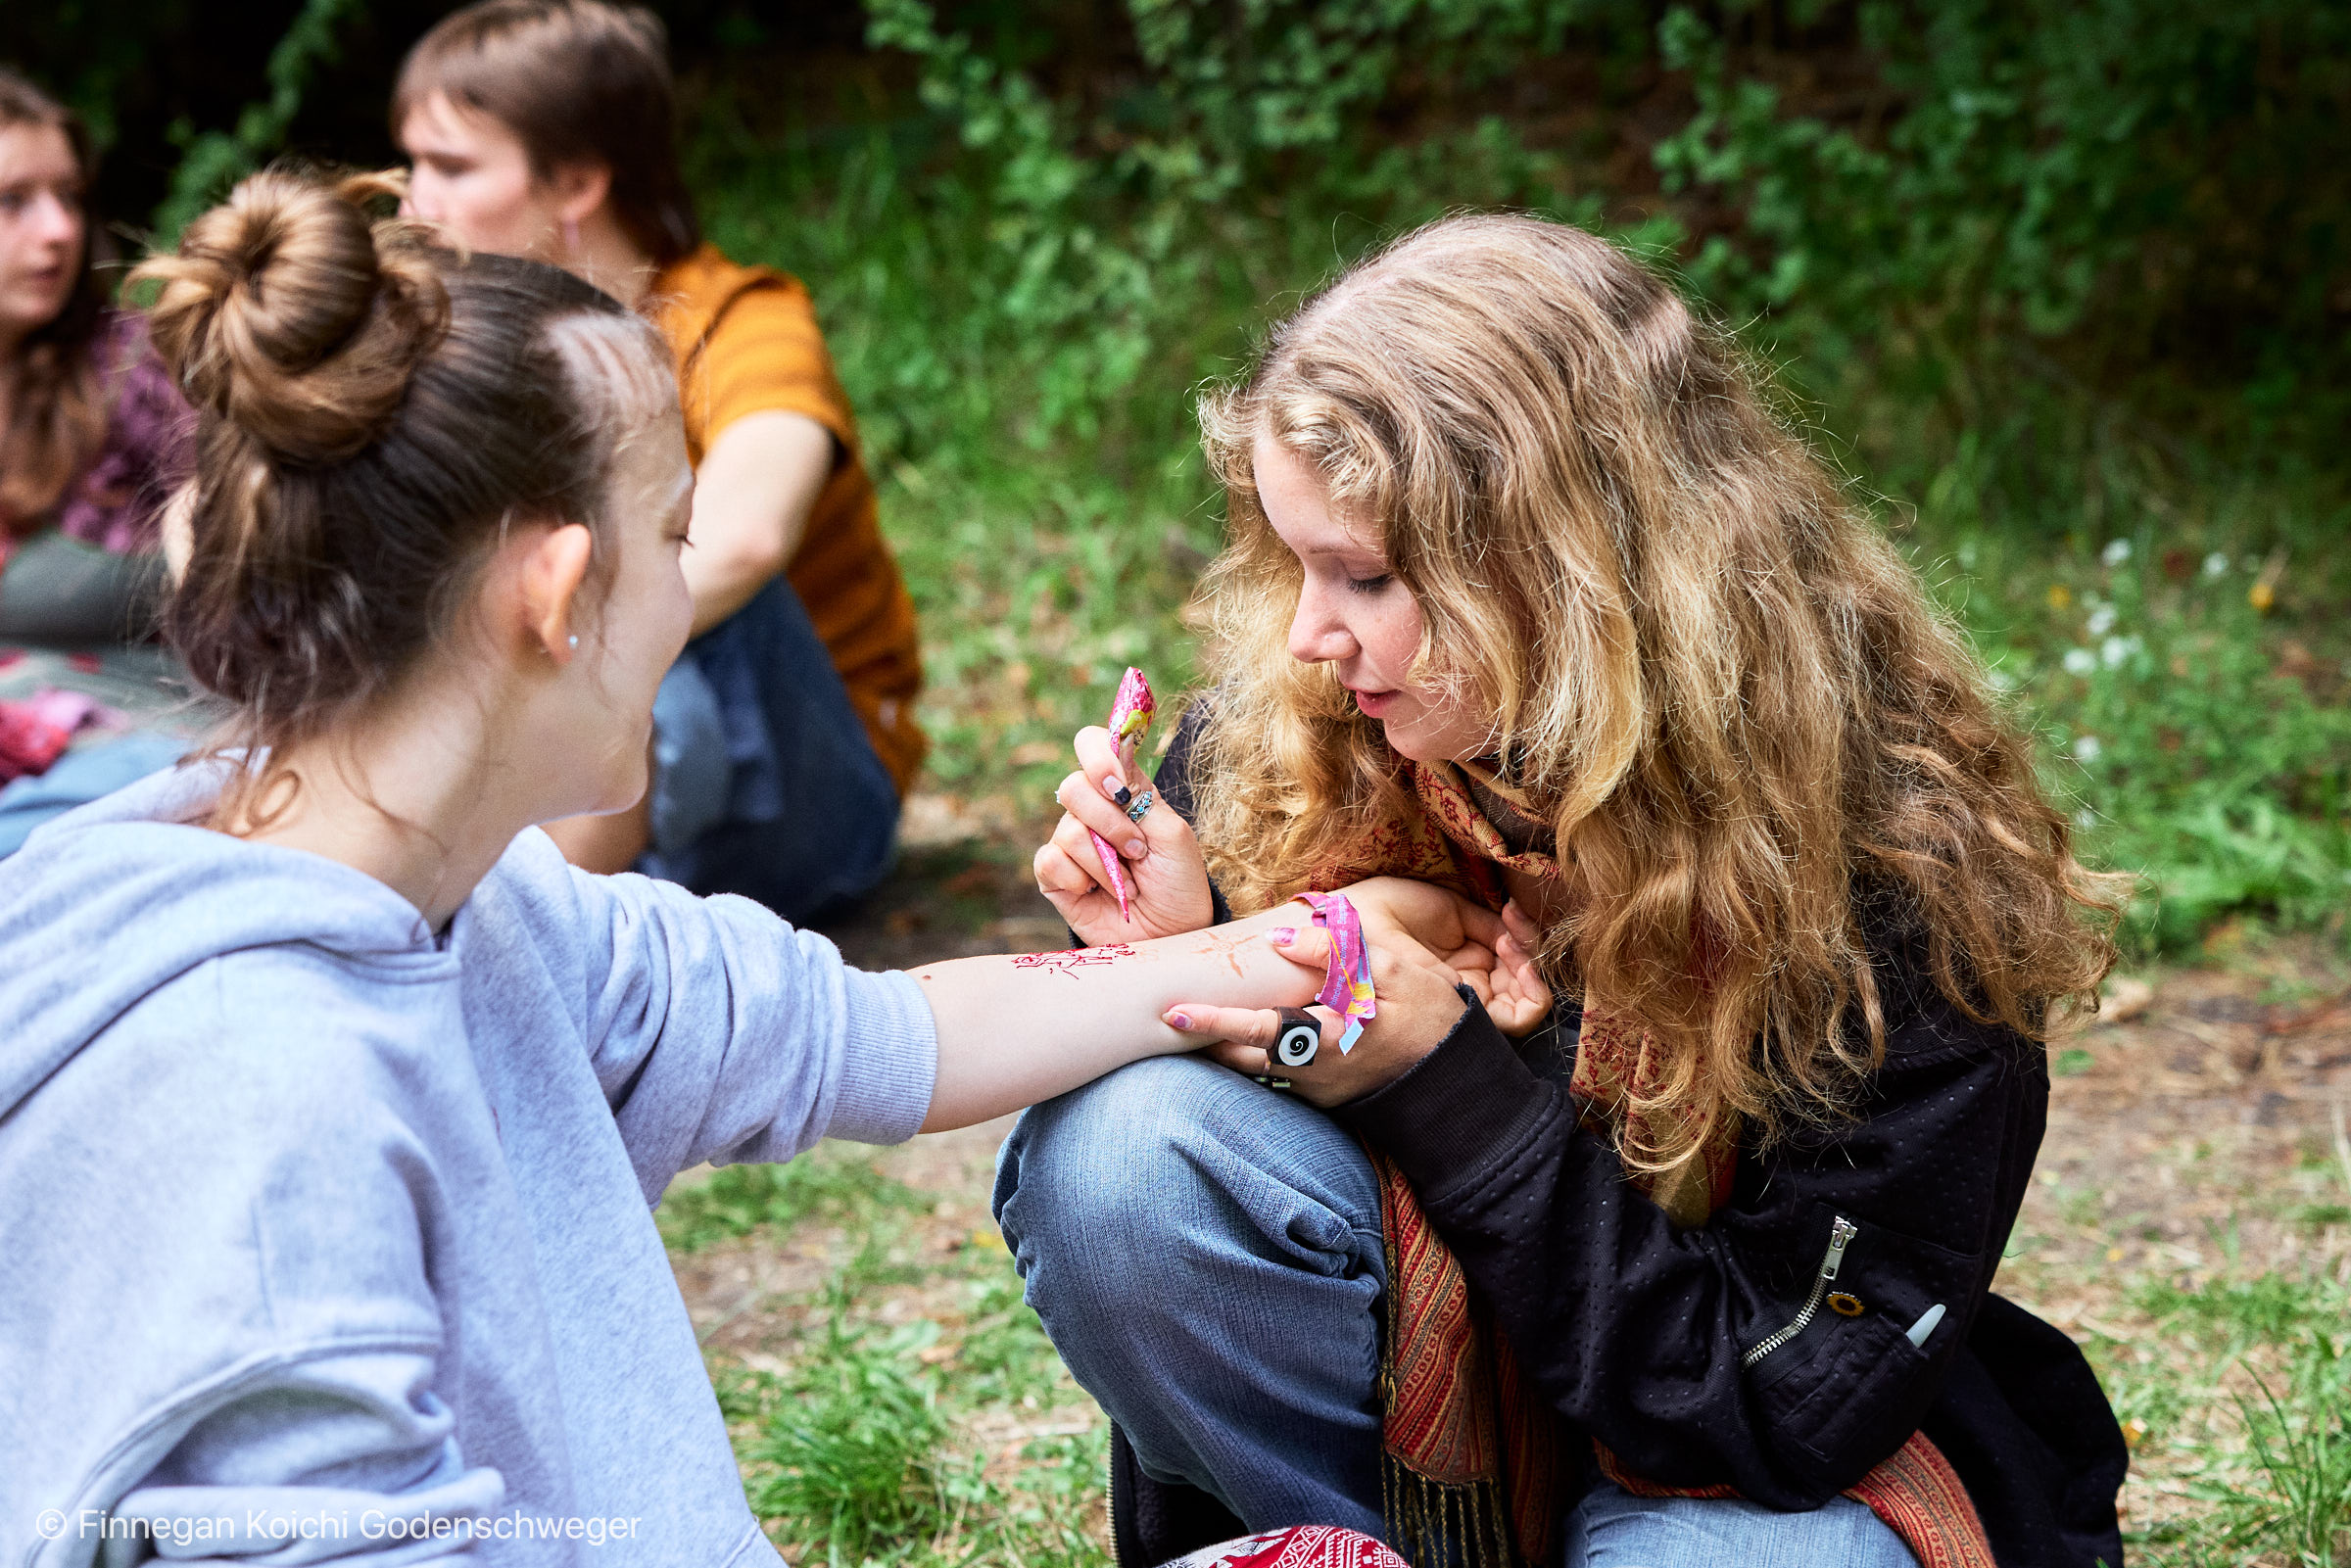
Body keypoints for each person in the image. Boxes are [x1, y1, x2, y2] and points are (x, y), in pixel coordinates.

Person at [0, 168, 1543, 1568]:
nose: (696, 589)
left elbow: (870, 1035)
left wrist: (1269, 948)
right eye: (672, 535)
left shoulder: (470, 907)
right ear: (558, 593)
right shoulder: (269, 1123)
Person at [1004, 215, 2133, 1568]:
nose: (1307, 632)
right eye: (1296, 563)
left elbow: (1785, 1404)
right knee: (1125, 1148)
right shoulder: (1289, 739)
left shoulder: (1899, 873)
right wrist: (1182, 961)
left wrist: (1444, 1072)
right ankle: (1343, 1547)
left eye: (1365, 575)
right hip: (1400, 1452)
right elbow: (1193, 1196)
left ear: (1568, 575)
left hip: (1733, 1479)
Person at [390, 0, 923, 922]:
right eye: (412, 165)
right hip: (639, 780)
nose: (413, 201)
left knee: (636, 563)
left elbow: (748, 536)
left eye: (451, 167)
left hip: (814, 796)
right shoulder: (478, 347)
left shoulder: (743, 320)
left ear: (577, 183)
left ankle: (534, 939)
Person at [0, 68, 198, 854]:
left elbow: (251, 559)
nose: (57, 229)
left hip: (140, 740)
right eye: (13, 201)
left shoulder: (130, 370)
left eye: (70, 196)